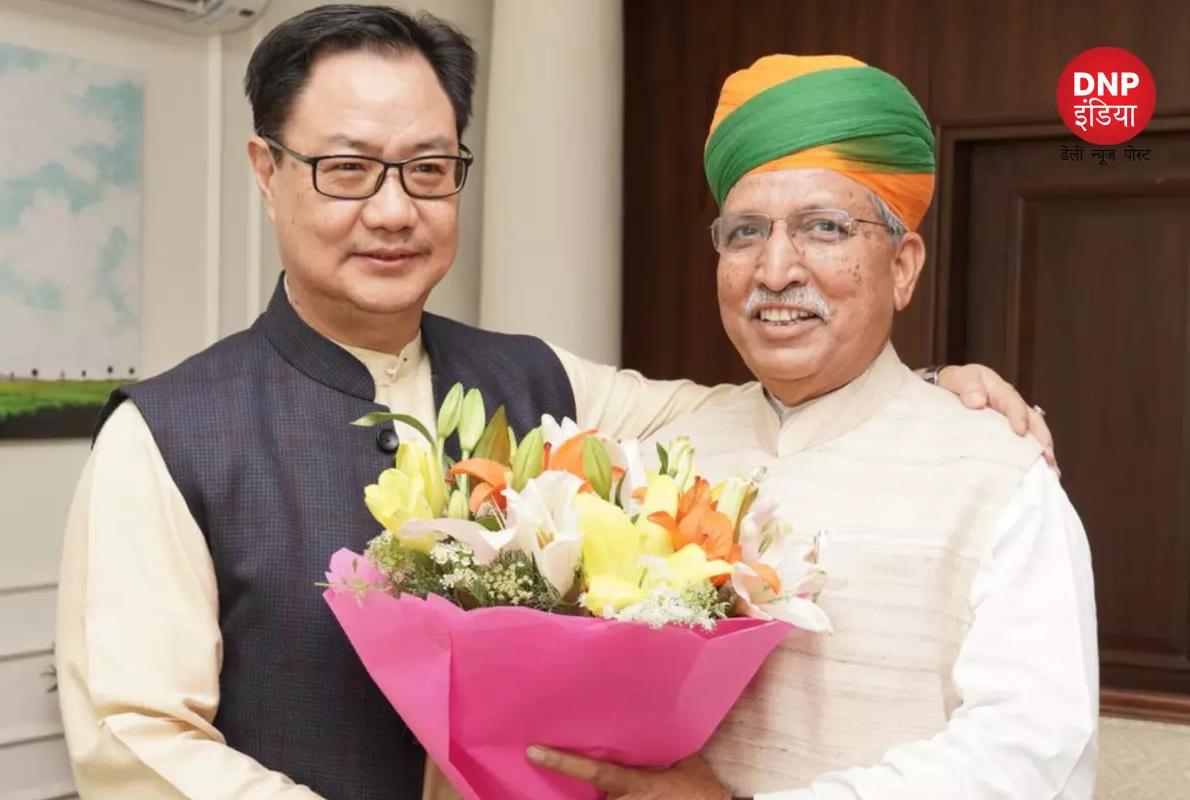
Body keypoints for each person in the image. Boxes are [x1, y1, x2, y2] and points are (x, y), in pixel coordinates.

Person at [53, 7, 1054, 799]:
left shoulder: (543, 383)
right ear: (268, 173)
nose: (394, 209)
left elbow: (766, 404)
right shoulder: (169, 435)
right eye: (348, 169)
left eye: (429, 169)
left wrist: (924, 392)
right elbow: (135, 742)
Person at [527, 54, 1097, 800]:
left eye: (823, 228)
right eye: (744, 233)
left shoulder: (998, 474)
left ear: (903, 267)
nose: (774, 271)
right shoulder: (661, 454)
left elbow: (1027, 753)